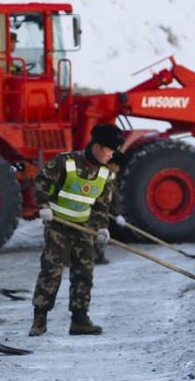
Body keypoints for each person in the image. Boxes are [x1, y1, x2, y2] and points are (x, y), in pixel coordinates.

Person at [29, 123, 124, 337]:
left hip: (83, 228)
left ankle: (80, 320)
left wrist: (102, 227)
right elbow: (41, 183)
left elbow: (101, 205)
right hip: (58, 226)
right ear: (98, 147)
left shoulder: (106, 175)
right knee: (51, 271)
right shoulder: (66, 162)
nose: (111, 155)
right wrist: (43, 206)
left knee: (84, 273)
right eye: (110, 150)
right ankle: (40, 319)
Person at [94, 150, 128, 265]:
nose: (118, 169)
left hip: (97, 208)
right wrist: (117, 214)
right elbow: (112, 196)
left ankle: (97, 256)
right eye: (118, 166)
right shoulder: (107, 174)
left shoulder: (100, 170)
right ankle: (97, 256)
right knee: (97, 231)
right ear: (113, 164)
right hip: (96, 208)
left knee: (95, 232)